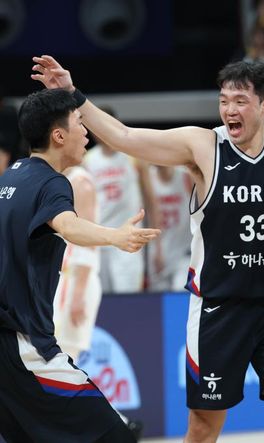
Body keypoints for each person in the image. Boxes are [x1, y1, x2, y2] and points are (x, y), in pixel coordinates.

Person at [32, 55, 264, 442]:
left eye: (241, 101)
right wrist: (72, 94)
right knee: (203, 427)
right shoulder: (203, 145)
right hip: (220, 307)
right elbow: (124, 136)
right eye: (224, 101)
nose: (230, 110)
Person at [0, 88, 159, 442]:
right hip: (24, 344)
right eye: (79, 123)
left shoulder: (10, 177)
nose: (86, 132)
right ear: (59, 136)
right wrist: (116, 236)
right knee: (115, 436)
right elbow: (69, 226)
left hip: (11, 342)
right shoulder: (53, 182)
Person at [83, 119, 161, 293]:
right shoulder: (87, 159)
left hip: (128, 238)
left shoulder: (133, 155)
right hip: (99, 237)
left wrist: (157, 247)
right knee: (99, 297)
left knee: (128, 297)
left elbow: (151, 199)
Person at [52, 165, 101, 361]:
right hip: (58, 278)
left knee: (64, 357)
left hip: (75, 280)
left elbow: (88, 241)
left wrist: (78, 294)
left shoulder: (81, 184)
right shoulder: (56, 179)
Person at [147, 165, 193, 291]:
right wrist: (157, 249)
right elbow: (151, 213)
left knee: (181, 291)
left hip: (184, 252)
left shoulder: (186, 175)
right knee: (157, 295)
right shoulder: (148, 177)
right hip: (159, 250)